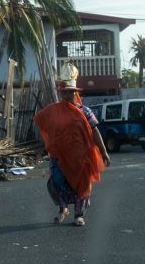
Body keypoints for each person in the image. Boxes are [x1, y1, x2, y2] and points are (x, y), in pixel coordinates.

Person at [33, 78, 111, 227]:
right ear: (61, 93)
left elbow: (95, 130)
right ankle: (63, 208)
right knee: (56, 182)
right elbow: (39, 119)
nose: (68, 95)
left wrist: (104, 151)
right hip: (60, 156)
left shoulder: (85, 111)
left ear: (75, 93)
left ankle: (78, 214)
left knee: (82, 185)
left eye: (71, 92)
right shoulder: (54, 111)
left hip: (82, 156)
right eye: (65, 92)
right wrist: (51, 142)